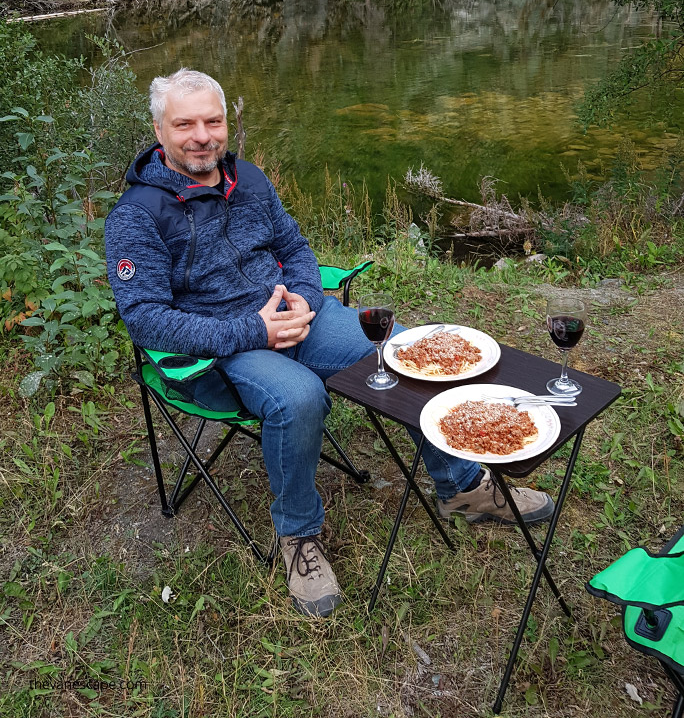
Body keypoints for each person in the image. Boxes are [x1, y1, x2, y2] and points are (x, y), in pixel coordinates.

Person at [105, 69, 553, 618]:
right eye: (185, 124)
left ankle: (461, 486)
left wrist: (306, 300)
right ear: (159, 129)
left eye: (213, 121)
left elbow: (294, 247)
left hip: (297, 318)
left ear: (226, 123)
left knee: (406, 349)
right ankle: (298, 537)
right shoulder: (136, 215)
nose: (202, 135)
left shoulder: (249, 180)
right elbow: (146, 320)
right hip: (227, 347)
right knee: (298, 399)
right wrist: (254, 331)